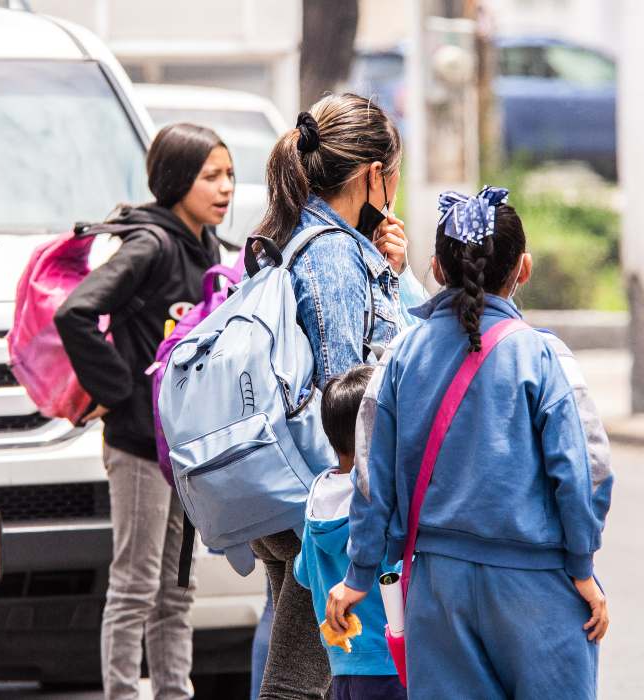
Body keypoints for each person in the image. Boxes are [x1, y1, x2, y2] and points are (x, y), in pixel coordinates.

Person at [325, 187, 615, 699]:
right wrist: (582, 568)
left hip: (438, 589)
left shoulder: (399, 357)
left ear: (436, 268)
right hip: (537, 585)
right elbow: (585, 469)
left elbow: (371, 475)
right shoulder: (544, 357)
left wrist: (360, 573)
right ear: (522, 269)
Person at [55, 123, 233, 700]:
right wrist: (121, 389)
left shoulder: (206, 247)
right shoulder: (150, 246)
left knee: (176, 590)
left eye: (229, 174)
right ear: (178, 180)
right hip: (137, 446)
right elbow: (75, 313)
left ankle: (174, 693)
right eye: (211, 176)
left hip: (181, 451)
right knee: (135, 585)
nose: (226, 187)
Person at [251, 93, 407, 700]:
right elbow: (350, 397)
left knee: (310, 678)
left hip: (293, 485)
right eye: (393, 174)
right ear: (373, 175)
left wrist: (388, 272)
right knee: (298, 684)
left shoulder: (304, 236)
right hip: (328, 499)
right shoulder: (335, 254)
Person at [294, 364, 405, 700]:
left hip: (342, 664)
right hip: (390, 663)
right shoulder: (379, 502)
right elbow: (397, 574)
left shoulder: (318, 495)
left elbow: (303, 573)